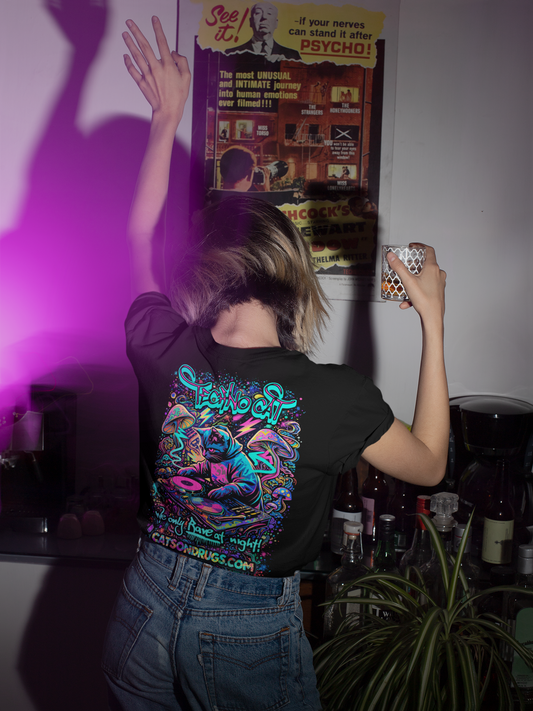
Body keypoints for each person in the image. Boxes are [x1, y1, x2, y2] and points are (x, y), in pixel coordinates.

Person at [102, 16, 448, 711]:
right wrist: (432, 321)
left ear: (201, 274)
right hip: (245, 627)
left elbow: (135, 235)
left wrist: (165, 116)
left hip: (144, 602)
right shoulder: (336, 397)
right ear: (291, 275)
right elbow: (430, 466)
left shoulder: (158, 345)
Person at [226, 2, 301, 61]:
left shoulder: (292, 56)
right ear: (250, 21)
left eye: (269, 13)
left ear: (276, 23)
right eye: (258, 13)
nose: (264, 17)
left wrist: (286, 65)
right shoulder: (231, 54)